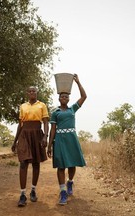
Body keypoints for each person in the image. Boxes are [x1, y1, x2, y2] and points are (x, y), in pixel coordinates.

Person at [47, 74, 87, 205]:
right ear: (59, 98)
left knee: (72, 164)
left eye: (66, 96)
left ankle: (70, 182)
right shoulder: (55, 112)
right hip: (59, 140)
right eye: (62, 96)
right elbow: (53, 129)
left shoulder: (73, 109)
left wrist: (78, 82)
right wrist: (49, 145)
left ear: (68, 98)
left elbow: (84, 97)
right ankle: (63, 192)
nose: (64, 98)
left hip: (71, 139)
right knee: (60, 166)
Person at [11, 86, 49, 207]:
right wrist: (15, 140)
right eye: (30, 91)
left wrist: (45, 136)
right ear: (27, 93)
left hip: (37, 133)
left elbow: (46, 122)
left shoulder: (42, 105)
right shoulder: (23, 106)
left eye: (34, 91)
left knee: (36, 163)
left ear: (37, 93)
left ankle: (33, 190)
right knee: (23, 163)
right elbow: (20, 124)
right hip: (24, 135)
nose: (32, 92)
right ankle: (22, 194)